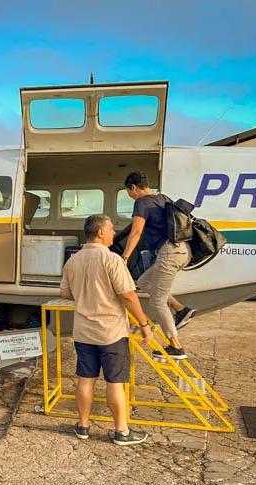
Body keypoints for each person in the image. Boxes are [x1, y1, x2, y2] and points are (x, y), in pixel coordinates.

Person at [60, 214, 152, 445]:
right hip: (111, 332)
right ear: (100, 232)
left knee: (86, 379)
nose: (114, 232)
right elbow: (128, 296)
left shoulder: (73, 261)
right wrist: (144, 323)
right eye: (111, 229)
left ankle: (83, 426)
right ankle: (121, 432)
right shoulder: (112, 260)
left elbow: (65, 293)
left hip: (83, 331)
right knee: (115, 382)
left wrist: (86, 294)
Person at [121, 171, 196, 361]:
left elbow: (137, 231)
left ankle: (176, 347)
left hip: (169, 253)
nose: (130, 196)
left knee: (157, 301)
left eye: (128, 192)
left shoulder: (142, 202)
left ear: (134, 188)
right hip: (182, 250)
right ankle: (180, 309)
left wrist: (125, 256)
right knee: (145, 282)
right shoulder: (163, 198)